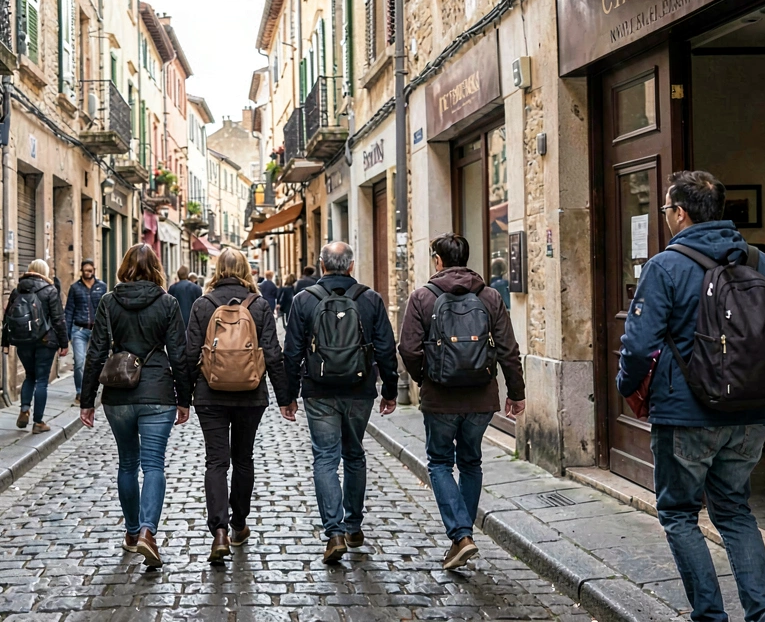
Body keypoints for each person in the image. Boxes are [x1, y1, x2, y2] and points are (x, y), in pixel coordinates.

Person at [617, 171, 765, 622]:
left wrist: (627, 386)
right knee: (735, 510)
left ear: (679, 213)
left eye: (666, 209)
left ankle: (710, 615)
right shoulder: (759, 262)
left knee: (680, 513)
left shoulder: (665, 266)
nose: (666, 217)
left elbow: (639, 346)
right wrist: (757, 385)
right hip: (752, 415)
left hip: (685, 415)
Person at [399, 233, 526, 570]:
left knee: (440, 462)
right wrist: (516, 392)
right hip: (481, 397)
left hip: (440, 399)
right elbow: (508, 349)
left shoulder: (422, 297)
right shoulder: (490, 296)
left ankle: (461, 536)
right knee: (471, 462)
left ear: (438, 260)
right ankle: (463, 535)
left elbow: (408, 349)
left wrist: (425, 378)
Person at [283, 242, 398, 563]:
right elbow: (387, 349)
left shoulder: (303, 300)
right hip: (360, 388)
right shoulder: (370, 299)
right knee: (354, 454)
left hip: (318, 391)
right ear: (350, 266)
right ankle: (354, 525)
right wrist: (390, 389)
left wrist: (288, 396)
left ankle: (333, 532)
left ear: (321, 265)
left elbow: (291, 353)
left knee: (325, 459)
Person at [80, 243, 191, 568]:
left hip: (118, 394)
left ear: (124, 267)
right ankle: (147, 531)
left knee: (128, 463)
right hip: (157, 393)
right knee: (153, 464)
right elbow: (179, 353)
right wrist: (184, 398)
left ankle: (131, 533)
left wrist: (87, 401)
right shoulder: (167, 303)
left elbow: (96, 352)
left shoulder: (109, 302)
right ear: (156, 267)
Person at [183, 248, 291, 562]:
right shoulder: (258, 305)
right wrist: (286, 398)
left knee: (216, 462)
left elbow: (190, 354)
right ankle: (239, 524)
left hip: (209, 393)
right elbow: (272, 354)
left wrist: (183, 397)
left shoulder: (203, 305)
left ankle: (219, 532)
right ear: (246, 269)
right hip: (250, 393)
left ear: (217, 269)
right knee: (243, 459)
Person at [4, 259, 67, 433]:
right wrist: (64, 343)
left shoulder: (17, 291)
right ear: (45, 272)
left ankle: (24, 409)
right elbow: (58, 319)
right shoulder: (50, 290)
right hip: (46, 342)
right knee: (41, 381)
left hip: (23, 342)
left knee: (29, 376)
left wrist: (5, 343)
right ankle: (38, 422)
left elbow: (6, 318)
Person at [64, 259, 107, 406]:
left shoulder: (102, 287)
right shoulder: (75, 288)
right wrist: (66, 334)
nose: (88, 273)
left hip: (96, 330)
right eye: (85, 270)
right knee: (79, 362)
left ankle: (91, 390)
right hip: (79, 330)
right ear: (81, 271)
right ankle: (80, 392)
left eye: (90, 270)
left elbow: (105, 310)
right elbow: (69, 310)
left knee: (95, 363)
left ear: (94, 270)